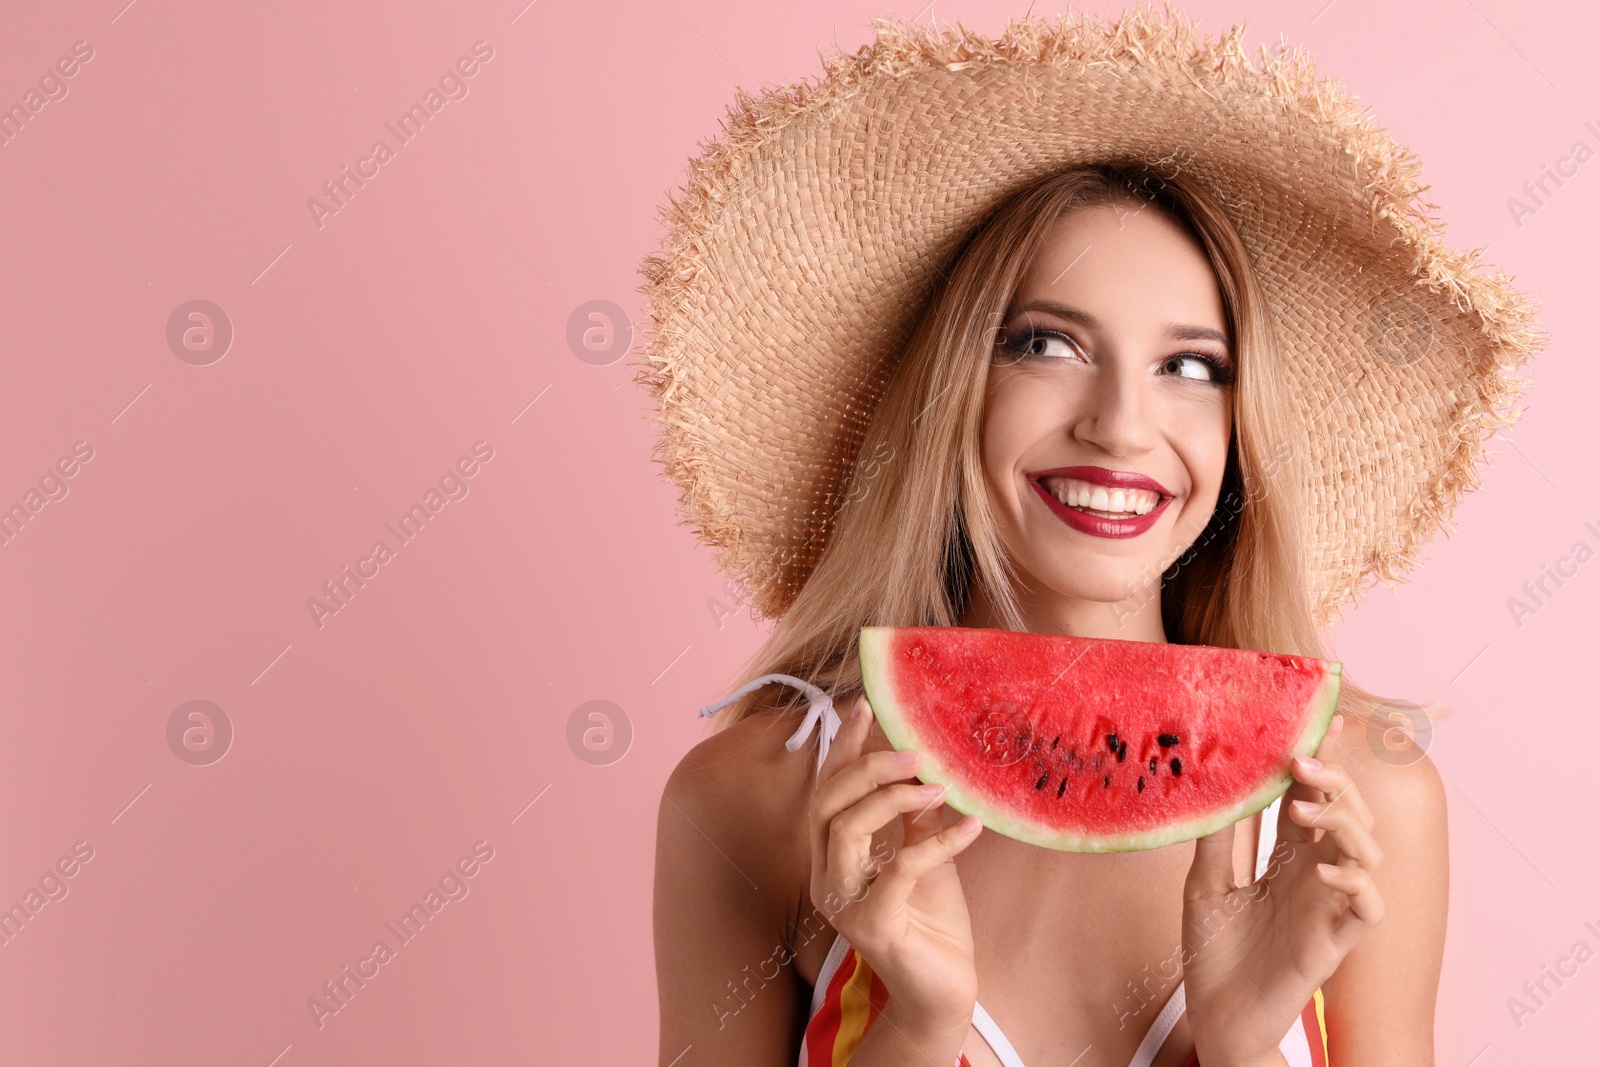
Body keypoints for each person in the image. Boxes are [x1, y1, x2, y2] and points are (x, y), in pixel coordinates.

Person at [637, 10, 1543, 1066]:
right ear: (950, 391)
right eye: (1044, 344)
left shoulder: (1359, 800)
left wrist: (1247, 1044)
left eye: (1193, 365)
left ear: (1240, 430)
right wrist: (918, 1025)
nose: (1119, 424)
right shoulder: (750, 800)